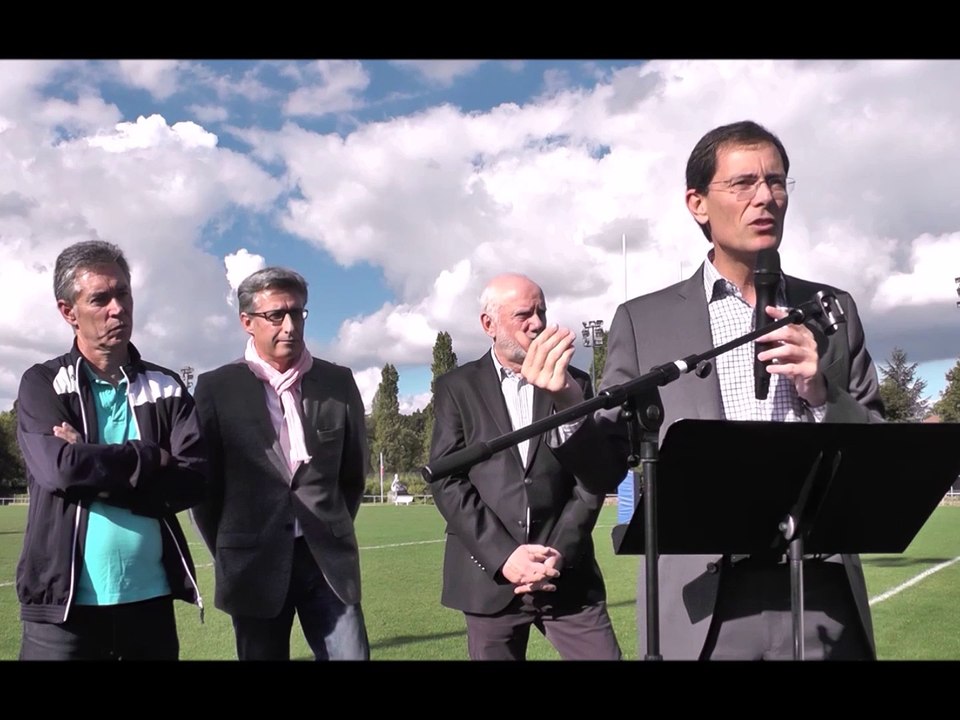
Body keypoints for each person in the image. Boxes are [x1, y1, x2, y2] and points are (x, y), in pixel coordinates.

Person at [520, 120, 885, 660]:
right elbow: (605, 467)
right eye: (743, 184)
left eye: (777, 181)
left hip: (820, 592)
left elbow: (876, 451)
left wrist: (820, 391)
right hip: (704, 602)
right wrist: (569, 405)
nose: (766, 197)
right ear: (697, 203)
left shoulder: (834, 309)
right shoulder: (643, 321)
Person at [15, 239, 207, 661]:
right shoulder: (42, 383)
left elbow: (193, 480)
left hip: (150, 604)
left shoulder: (167, 386)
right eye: (100, 298)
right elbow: (59, 470)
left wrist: (91, 456)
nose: (117, 308)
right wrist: (152, 458)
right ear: (68, 311)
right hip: (62, 611)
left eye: (123, 293)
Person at [427, 273, 622, 661]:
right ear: (488, 324)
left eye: (542, 312)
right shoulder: (457, 386)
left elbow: (591, 481)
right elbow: (448, 480)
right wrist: (505, 557)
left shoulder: (574, 384)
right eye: (523, 314)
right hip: (490, 580)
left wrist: (559, 551)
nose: (537, 323)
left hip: (566, 576)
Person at [192, 267, 370, 661]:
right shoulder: (216, 388)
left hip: (327, 563)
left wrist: (326, 525)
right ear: (247, 322)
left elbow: (352, 477)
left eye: (297, 313)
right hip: (252, 564)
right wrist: (232, 548)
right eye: (276, 315)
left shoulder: (337, 382)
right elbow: (205, 494)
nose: (290, 325)